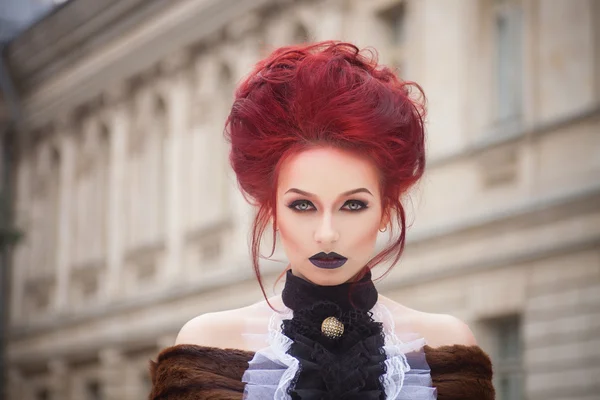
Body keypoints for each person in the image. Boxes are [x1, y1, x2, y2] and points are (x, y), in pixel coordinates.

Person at [149, 41, 495, 399]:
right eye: (302, 206)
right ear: (272, 212)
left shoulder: (447, 348)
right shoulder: (208, 347)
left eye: (353, 205)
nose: (327, 234)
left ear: (386, 212)